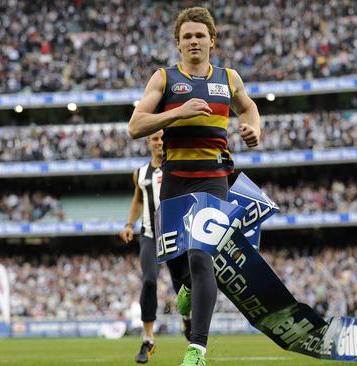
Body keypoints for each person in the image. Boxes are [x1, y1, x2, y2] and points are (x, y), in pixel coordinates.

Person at [128, 7, 261, 366]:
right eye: (187, 36)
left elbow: (248, 109)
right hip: (174, 181)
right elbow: (135, 125)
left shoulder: (228, 78)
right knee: (180, 262)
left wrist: (253, 129)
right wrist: (177, 112)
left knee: (204, 259)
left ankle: (197, 349)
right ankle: (184, 288)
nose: (194, 41)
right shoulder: (164, 78)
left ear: (212, 41)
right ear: (178, 43)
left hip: (213, 179)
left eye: (200, 35)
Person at [119, 130, 190, 363]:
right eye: (155, 139)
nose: (159, 142)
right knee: (149, 280)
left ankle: (187, 318)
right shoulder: (140, 173)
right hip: (149, 235)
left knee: (184, 287)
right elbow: (138, 199)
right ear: (148, 143)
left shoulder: (176, 167)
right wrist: (130, 223)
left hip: (176, 236)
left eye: (162, 138)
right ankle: (148, 339)